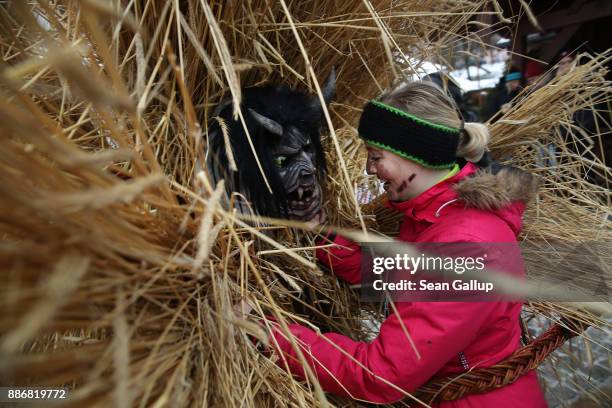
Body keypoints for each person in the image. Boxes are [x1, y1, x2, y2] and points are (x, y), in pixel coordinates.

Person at [258, 81, 548, 406]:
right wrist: (321, 237)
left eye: (376, 156)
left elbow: (380, 375)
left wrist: (269, 336)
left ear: (416, 154)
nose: (370, 169)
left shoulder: (465, 244)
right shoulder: (437, 215)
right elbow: (394, 277)